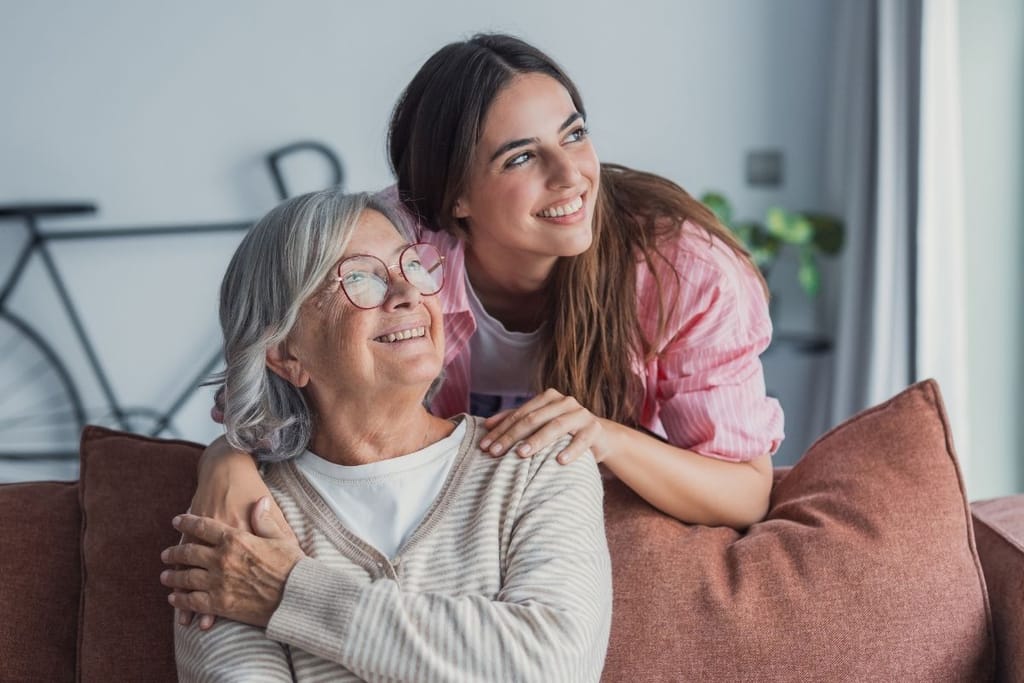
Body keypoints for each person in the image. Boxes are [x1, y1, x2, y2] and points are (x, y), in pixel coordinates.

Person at [184, 34, 783, 627]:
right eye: (521, 156)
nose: (570, 174)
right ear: (455, 196)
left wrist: (606, 438)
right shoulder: (396, 249)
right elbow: (281, 364)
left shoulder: (685, 273)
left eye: (574, 134)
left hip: (555, 525)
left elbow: (747, 492)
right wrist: (228, 459)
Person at [161, 189, 612, 681]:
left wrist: (287, 592)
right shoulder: (238, 517)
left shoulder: (537, 463)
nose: (408, 293)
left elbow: (556, 665)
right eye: (359, 278)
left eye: (411, 265)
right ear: (286, 352)